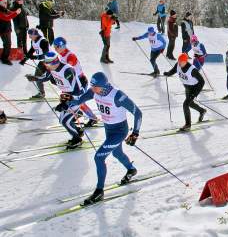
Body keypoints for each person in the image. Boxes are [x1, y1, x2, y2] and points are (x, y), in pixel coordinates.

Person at [68, 72, 142, 205]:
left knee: (99, 157)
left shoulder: (117, 96)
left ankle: (99, 191)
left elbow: (138, 112)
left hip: (119, 131)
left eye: (95, 86)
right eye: (92, 86)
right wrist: (66, 103)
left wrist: (135, 133)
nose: (93, 89)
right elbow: (79, 100)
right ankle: (131, 169)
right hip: (109, 129)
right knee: (117, 153)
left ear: (103, 86)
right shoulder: (94, 92)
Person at [25, 52, 85, 148]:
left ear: (54, 62)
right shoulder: (52, 68)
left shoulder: (67, 70)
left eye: (47, 64)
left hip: (76, 97)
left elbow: (74, 90)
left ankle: (77, 139)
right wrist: (35, 78)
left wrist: (65, 103)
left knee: (64, 121)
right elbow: (45, 77)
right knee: (63, 119)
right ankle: (78, 130)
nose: (46, 66)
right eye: (45, 64)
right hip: (66, 96)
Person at [53, 36, 98, 127]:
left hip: (80, 81)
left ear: (62, 46)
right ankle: (76, 113)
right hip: (70, 82)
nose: (55, 48)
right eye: (54, 46)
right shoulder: (62, 55)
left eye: (57, 46)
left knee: (79, 102)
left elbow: (68, 68)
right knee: (68, 100)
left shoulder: (70, 56)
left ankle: (93, 118)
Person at [163, 53, 206, 131]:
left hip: (194, 88)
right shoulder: (178, 64)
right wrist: (168, 74)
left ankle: (188, 125)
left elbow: (202, 81)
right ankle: (202, 111)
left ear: (186, 61)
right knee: (190, 103)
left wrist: (195, 94)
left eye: (181, 62)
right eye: (179, 61)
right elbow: (174, 70)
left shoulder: (192, 69)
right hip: (187, 87)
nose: (179, 63)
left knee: (185, 104)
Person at [19, 28, 50, 98]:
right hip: (42, 62)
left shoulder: (43, 41)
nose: (29, 37)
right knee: (37, 76)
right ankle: (41, 93)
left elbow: (46, 54)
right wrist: (24, 60)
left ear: (35, 35)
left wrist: (36, 57)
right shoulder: (33, 41)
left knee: (52, 78)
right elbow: (31, 52)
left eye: (30, 35)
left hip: (50, 62)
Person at [0, 0, 20, 65]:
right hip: (3, 31)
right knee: (8, 44)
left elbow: (10, 13)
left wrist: (16, 13)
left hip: (7, 29)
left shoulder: (4, 9)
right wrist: (16, 13)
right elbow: (7, 18)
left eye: (6, 2)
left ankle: (4, 57)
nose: (6, 4)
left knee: (7, 44)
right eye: (4, 3)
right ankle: (4, 59)